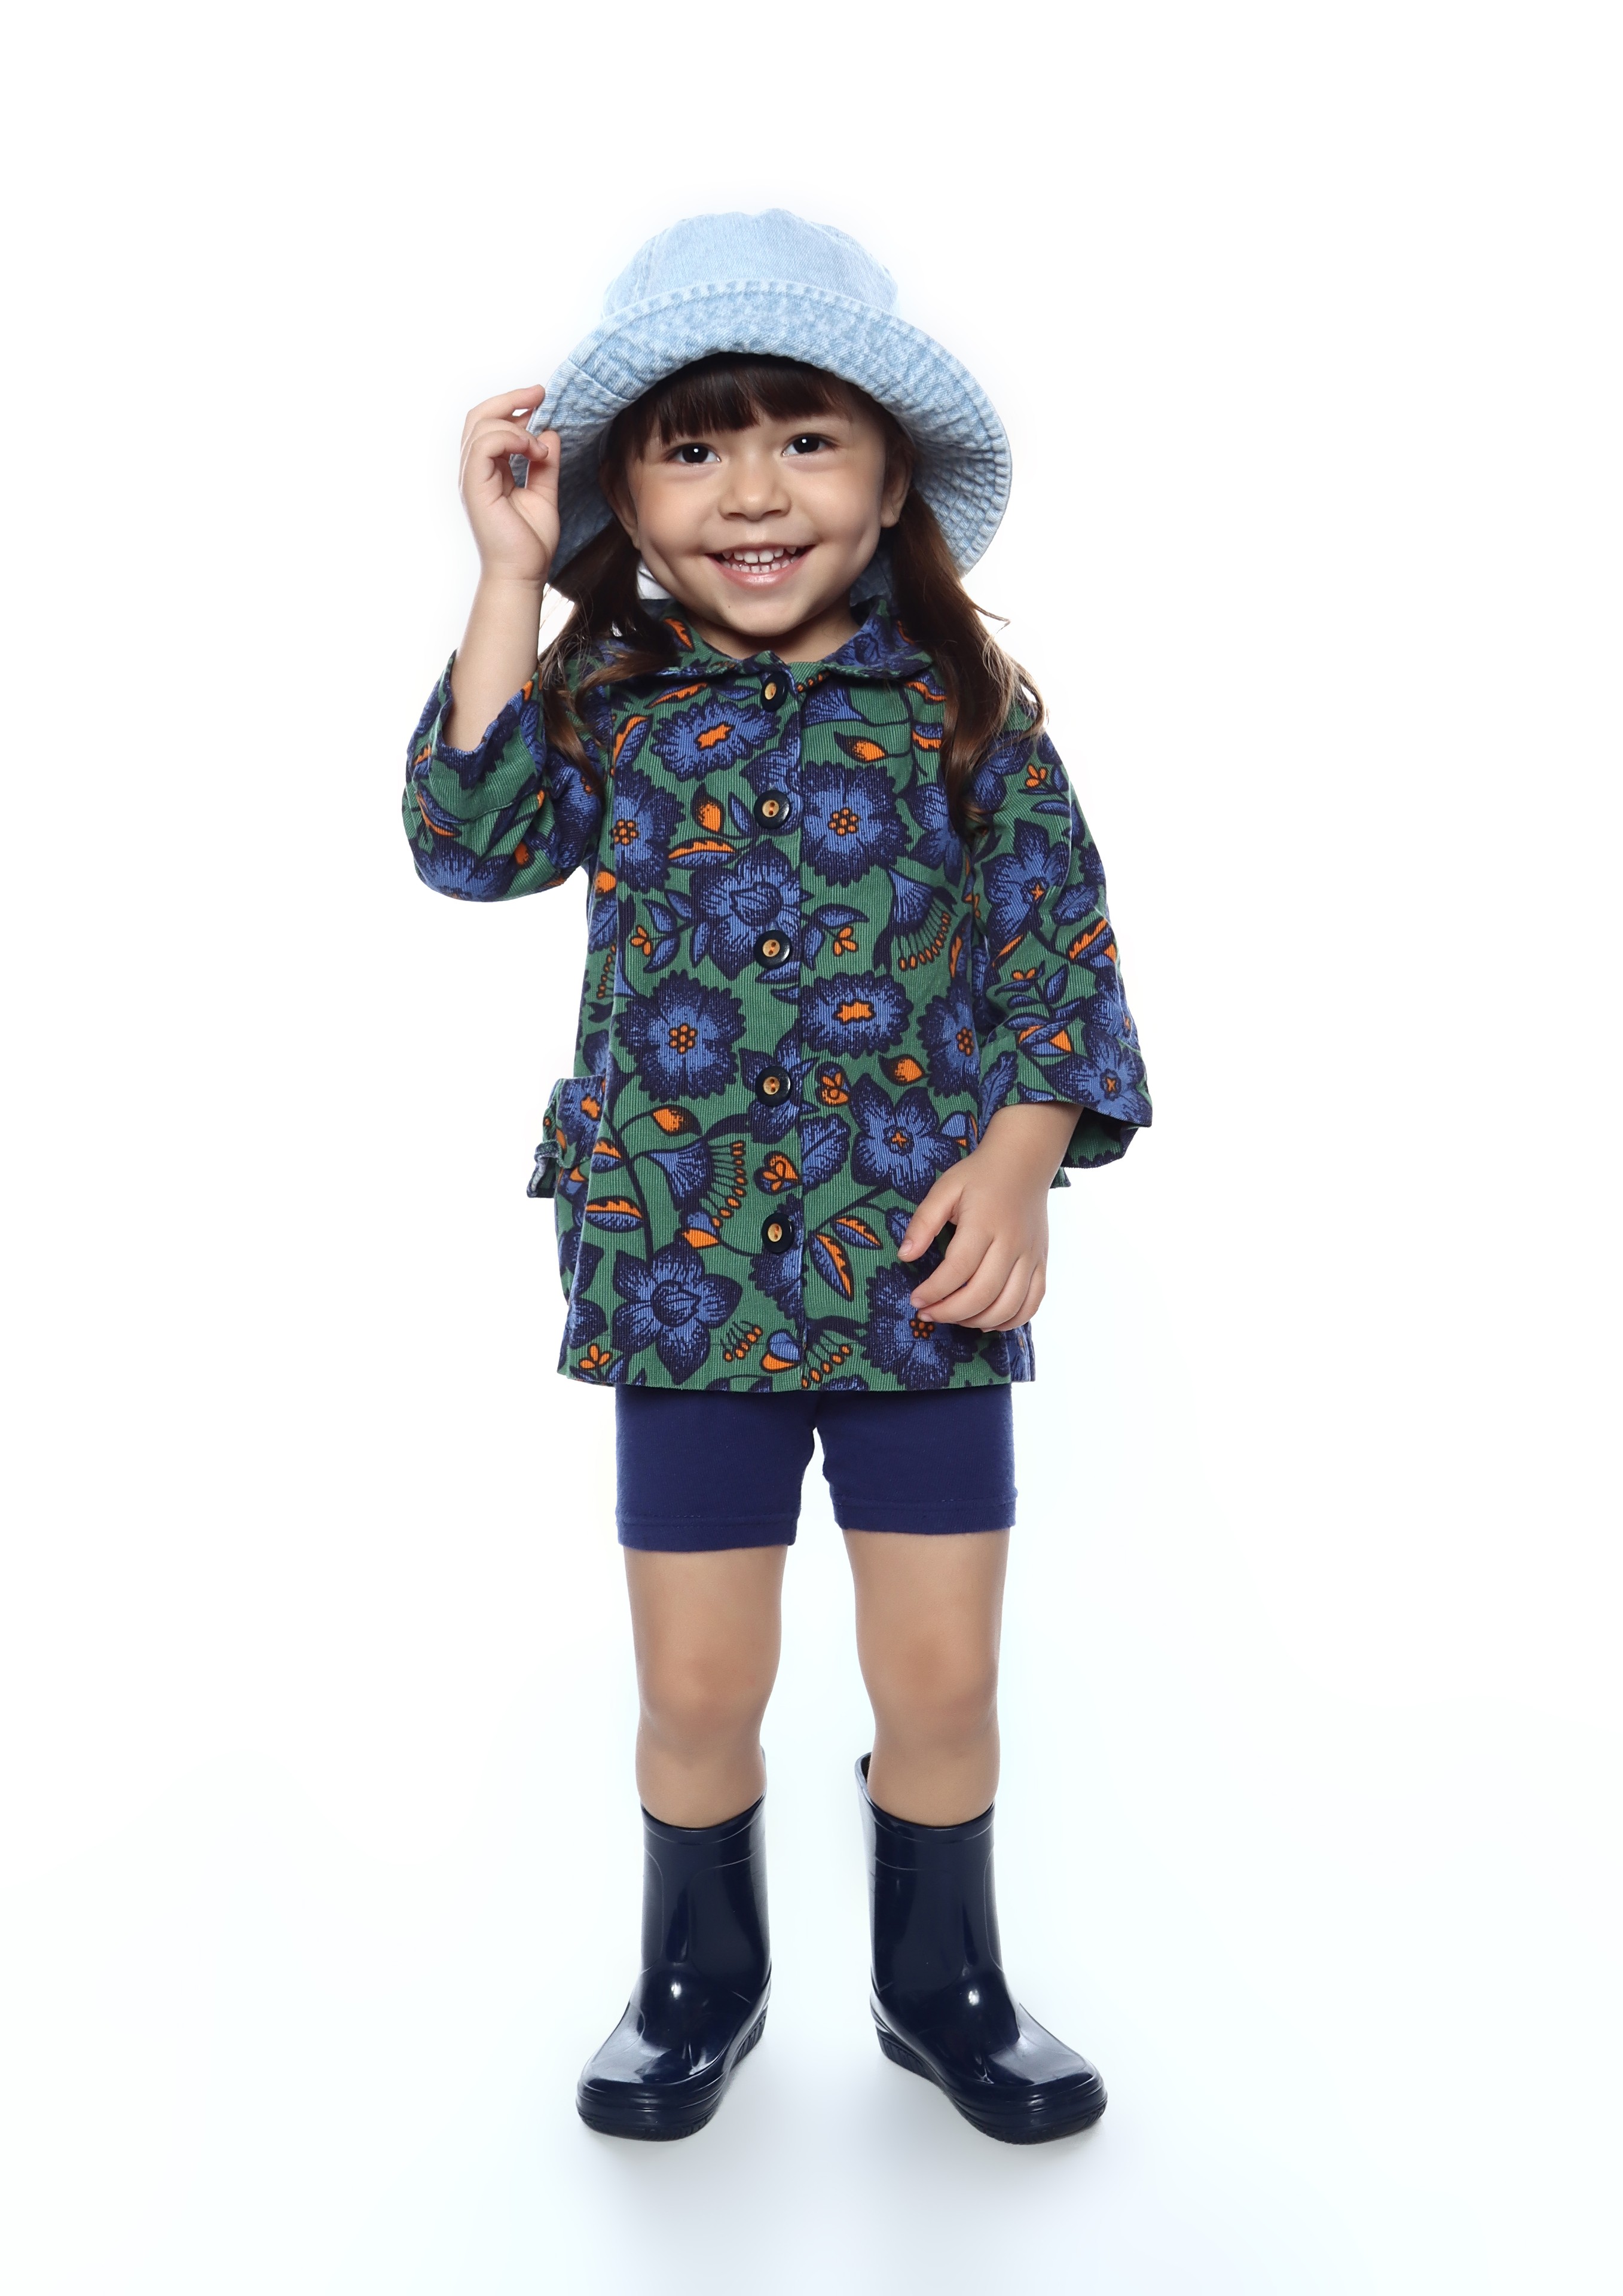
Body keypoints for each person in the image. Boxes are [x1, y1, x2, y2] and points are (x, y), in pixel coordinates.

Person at [403, 210, 1151, 2145]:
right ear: (626, 501)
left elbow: (1058, 960)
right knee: (697, 1686)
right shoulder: (606, 697)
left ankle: (940, 1985)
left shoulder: (967, 712)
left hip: (921, 1277)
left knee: (942, 1679)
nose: (752, 492)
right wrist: (508, 577)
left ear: (890, 479)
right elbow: (468, 842)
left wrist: (1020, 1166)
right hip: (684, 1271)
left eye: (805, 440)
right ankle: (696, 1982)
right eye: (694, 448)